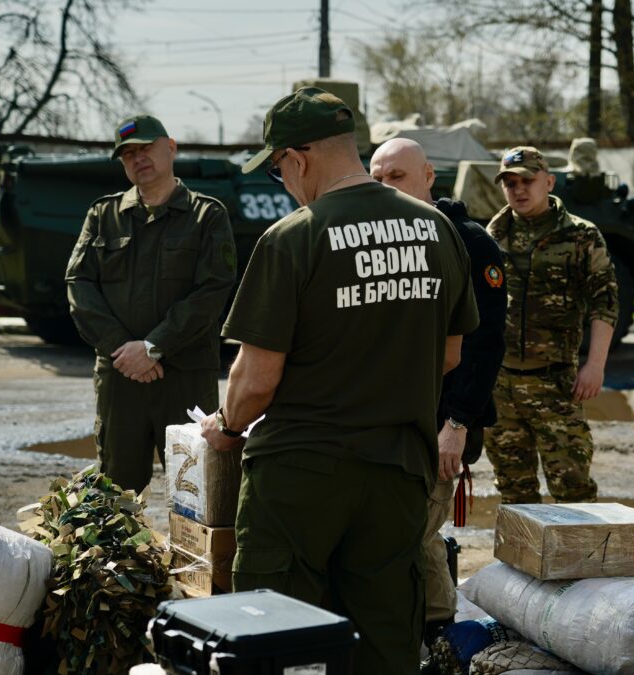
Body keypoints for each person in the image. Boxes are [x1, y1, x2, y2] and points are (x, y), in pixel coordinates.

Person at [199, 87, 478, 675]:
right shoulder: (437, 230)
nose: (282, 184)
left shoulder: (294, 237)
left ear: (298, 159)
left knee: (276, 637)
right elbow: (451, 355)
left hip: (301, 478)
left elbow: (255, 382)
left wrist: (225, 428)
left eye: (278, 170)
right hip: (398, 471)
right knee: (383, 636)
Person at [368, 138, 507, 647]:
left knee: (416, 532)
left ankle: (438, 637)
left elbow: (486, 343)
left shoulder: (470, 242)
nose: (386, 187)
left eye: (397, 176)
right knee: (389, 532)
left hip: (441, 420)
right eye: (377, 177)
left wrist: (457, 423)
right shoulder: (376, 237)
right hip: (386, 419)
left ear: (429, 176)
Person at [65, 114, 236, 494]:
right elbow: (79, 285)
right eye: (127, 154)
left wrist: (154, 347)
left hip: (185, 374)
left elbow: (213, 291)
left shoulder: (206, 215)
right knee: (115, 489)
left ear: (171, 147)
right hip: (120, 375)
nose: (137, 158)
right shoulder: (103, 215)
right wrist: (123, 351)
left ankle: (198, 556)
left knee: (197, 486)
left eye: (145, 149)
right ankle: (120, 558)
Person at [484, 146, 619, 504]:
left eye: (528, 180)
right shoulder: (490, 237)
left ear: (549, 182)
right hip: (502, 387)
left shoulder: (581, 236)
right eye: (510, 183)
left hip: (556, 384)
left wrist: (595, 366)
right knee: (514, 493)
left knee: (573, 491)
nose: (519, 190)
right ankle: (518, 562)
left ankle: (578, 563)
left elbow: (604, 302)